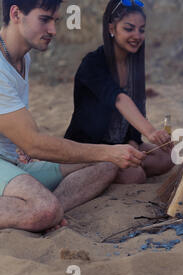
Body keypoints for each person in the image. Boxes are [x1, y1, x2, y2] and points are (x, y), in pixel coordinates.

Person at [0, 0, 145, 233]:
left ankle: (54, 212)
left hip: (13, 161)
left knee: (107, 165)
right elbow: (34, 143)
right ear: (16, 13)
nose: (53, 31)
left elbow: (22, 128)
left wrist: (109, 154)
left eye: (55, 21)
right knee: (43, 208)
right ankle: (47, 211)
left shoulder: (21, 57)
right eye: (44, 20)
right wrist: (109, 150)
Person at [64, 0, 174, 184]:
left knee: (168, 158)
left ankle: (126, 166)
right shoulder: (93, 63)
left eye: (141, 30)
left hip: (120, 144)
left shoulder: (133, 65)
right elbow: (119, 99)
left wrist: (132, 143)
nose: (137, 36)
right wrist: (151, 131)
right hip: (92, 146)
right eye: (129, 29)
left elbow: (136, 110)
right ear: (112, 28)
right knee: (136, 175)